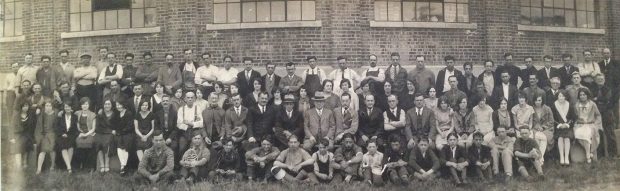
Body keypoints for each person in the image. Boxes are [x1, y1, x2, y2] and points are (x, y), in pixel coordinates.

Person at [574, 88, 602, 163]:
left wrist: (596, 124)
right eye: (580, 95)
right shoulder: (577, 105)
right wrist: (578, 121)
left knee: (587, 134)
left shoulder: (592, 104)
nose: (582, 96)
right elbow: (575, 117)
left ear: (587, 95)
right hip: (580, 125)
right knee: (578, 133)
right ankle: (589, 152)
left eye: (584, 95)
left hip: (590, 124)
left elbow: (598, 115)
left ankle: (587, 155)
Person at [591, 74, 617, 158]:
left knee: (610, 134)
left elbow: (607, 100)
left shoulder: (608, 89)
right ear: (595, 81)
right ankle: (601, 155)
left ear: (604, 80)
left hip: (607, 114)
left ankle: (613, 154)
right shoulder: (593, 90)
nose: (600, 81)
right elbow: (592, 100)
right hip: (598, 114)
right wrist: (599, 101)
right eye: (598, 80)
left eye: (601, 79)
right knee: (599, 134)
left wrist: (597, 99)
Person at [177, 91, 205, 158]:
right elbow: (179, 124)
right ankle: (182, 163)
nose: (190, 99)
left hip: (195, 132)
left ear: (194, 99)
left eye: (192, 97)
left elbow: (201, 123)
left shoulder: (197, 108)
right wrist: (188, 126)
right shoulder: (181, 109)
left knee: (195, 149)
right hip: (184, 132)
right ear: (185, 99)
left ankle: (194, 163)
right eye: (188, 97)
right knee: (182, 147)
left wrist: (190, 123)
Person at [550, 91, 575, 166]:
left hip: (567, 127)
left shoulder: (569, 105)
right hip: (558, 127)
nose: (561, 98)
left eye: (563, 96)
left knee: (567, 138)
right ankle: (561, 157)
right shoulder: (554, 105)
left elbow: (572, 118)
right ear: (557, 97)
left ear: (566, 97)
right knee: (560, 138)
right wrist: (559, 125)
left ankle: (566, 157)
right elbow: (552, 118)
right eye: (559, 96)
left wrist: (567, 124)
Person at [95, 99, 119, 173]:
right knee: (98, 143)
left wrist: (113, 131)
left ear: (111, 105)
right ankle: (102, 165)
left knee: (107, 143)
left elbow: (116, 126)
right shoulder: (100, 114)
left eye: (109, 104)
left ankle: (107, 165)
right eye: (105, 104)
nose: (107, 106)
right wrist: (108, 131)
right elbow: (98, 127)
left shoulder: (115, 114)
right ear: (103, 105)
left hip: (110, 134)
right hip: (101, 132)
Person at [10, 102, 36, 169]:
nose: (25, 108)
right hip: (18, 134)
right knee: (18, 145)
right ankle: (19, 165)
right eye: (24, 106)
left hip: (27, 134)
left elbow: (32, 127)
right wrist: (12, 137)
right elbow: (12, 127)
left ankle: (24, 162)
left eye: (27, 106)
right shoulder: (16, 116)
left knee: (27, 142)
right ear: (21, 107)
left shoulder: (30, 116)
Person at [74, 98, 97, 172]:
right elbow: (75, 122)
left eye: (86, 104)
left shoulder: (93, 114)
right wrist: (80, 133)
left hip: (90, 133)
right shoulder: (77, 113)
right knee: (78, 143)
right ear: (81, 105)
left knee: (89, 143)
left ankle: (91, 166)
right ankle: (81, 164)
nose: (85, 106)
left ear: (89, 105)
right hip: (80, 133)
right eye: (83, 104)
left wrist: (86, 134)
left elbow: (93, 128)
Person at [35, 101, 57, 174]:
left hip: (53, 134)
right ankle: (39, 168)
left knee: (52, 149)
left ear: (52, 107)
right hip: (44, 135)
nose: (48, 107)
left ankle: (53, 165)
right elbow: (39, 126)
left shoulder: (55, 114)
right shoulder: (42, 115)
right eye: (46, 106)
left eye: (49, 106)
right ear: (44, 107)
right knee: (43, 150)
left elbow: (56, 127)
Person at [56, 102, 78, 173]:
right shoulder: (61, 117)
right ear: (64, 108)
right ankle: (69, 167)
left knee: (71, 146)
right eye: (66, 107)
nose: (67, 108)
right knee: (63, 146)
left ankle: (67, 166)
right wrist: (62, 134)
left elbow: (76, 129)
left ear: (71, 108)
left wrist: (69, 134)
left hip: (71, 135)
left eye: (69, 107)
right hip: (62, 135)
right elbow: (57, 127)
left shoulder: (75, 117)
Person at [115, 100, 135, 175]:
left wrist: (121, 131)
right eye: (117, 105)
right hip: (120, 134)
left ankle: (123, 166)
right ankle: (123, 166)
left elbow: (130, 126)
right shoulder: (117, 114)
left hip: (128, 133)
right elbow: (116, 125)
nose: (118, 107)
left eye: (120, 105)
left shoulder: (128, 113)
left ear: (123, 104)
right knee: (119, 147)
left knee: (125, 144)